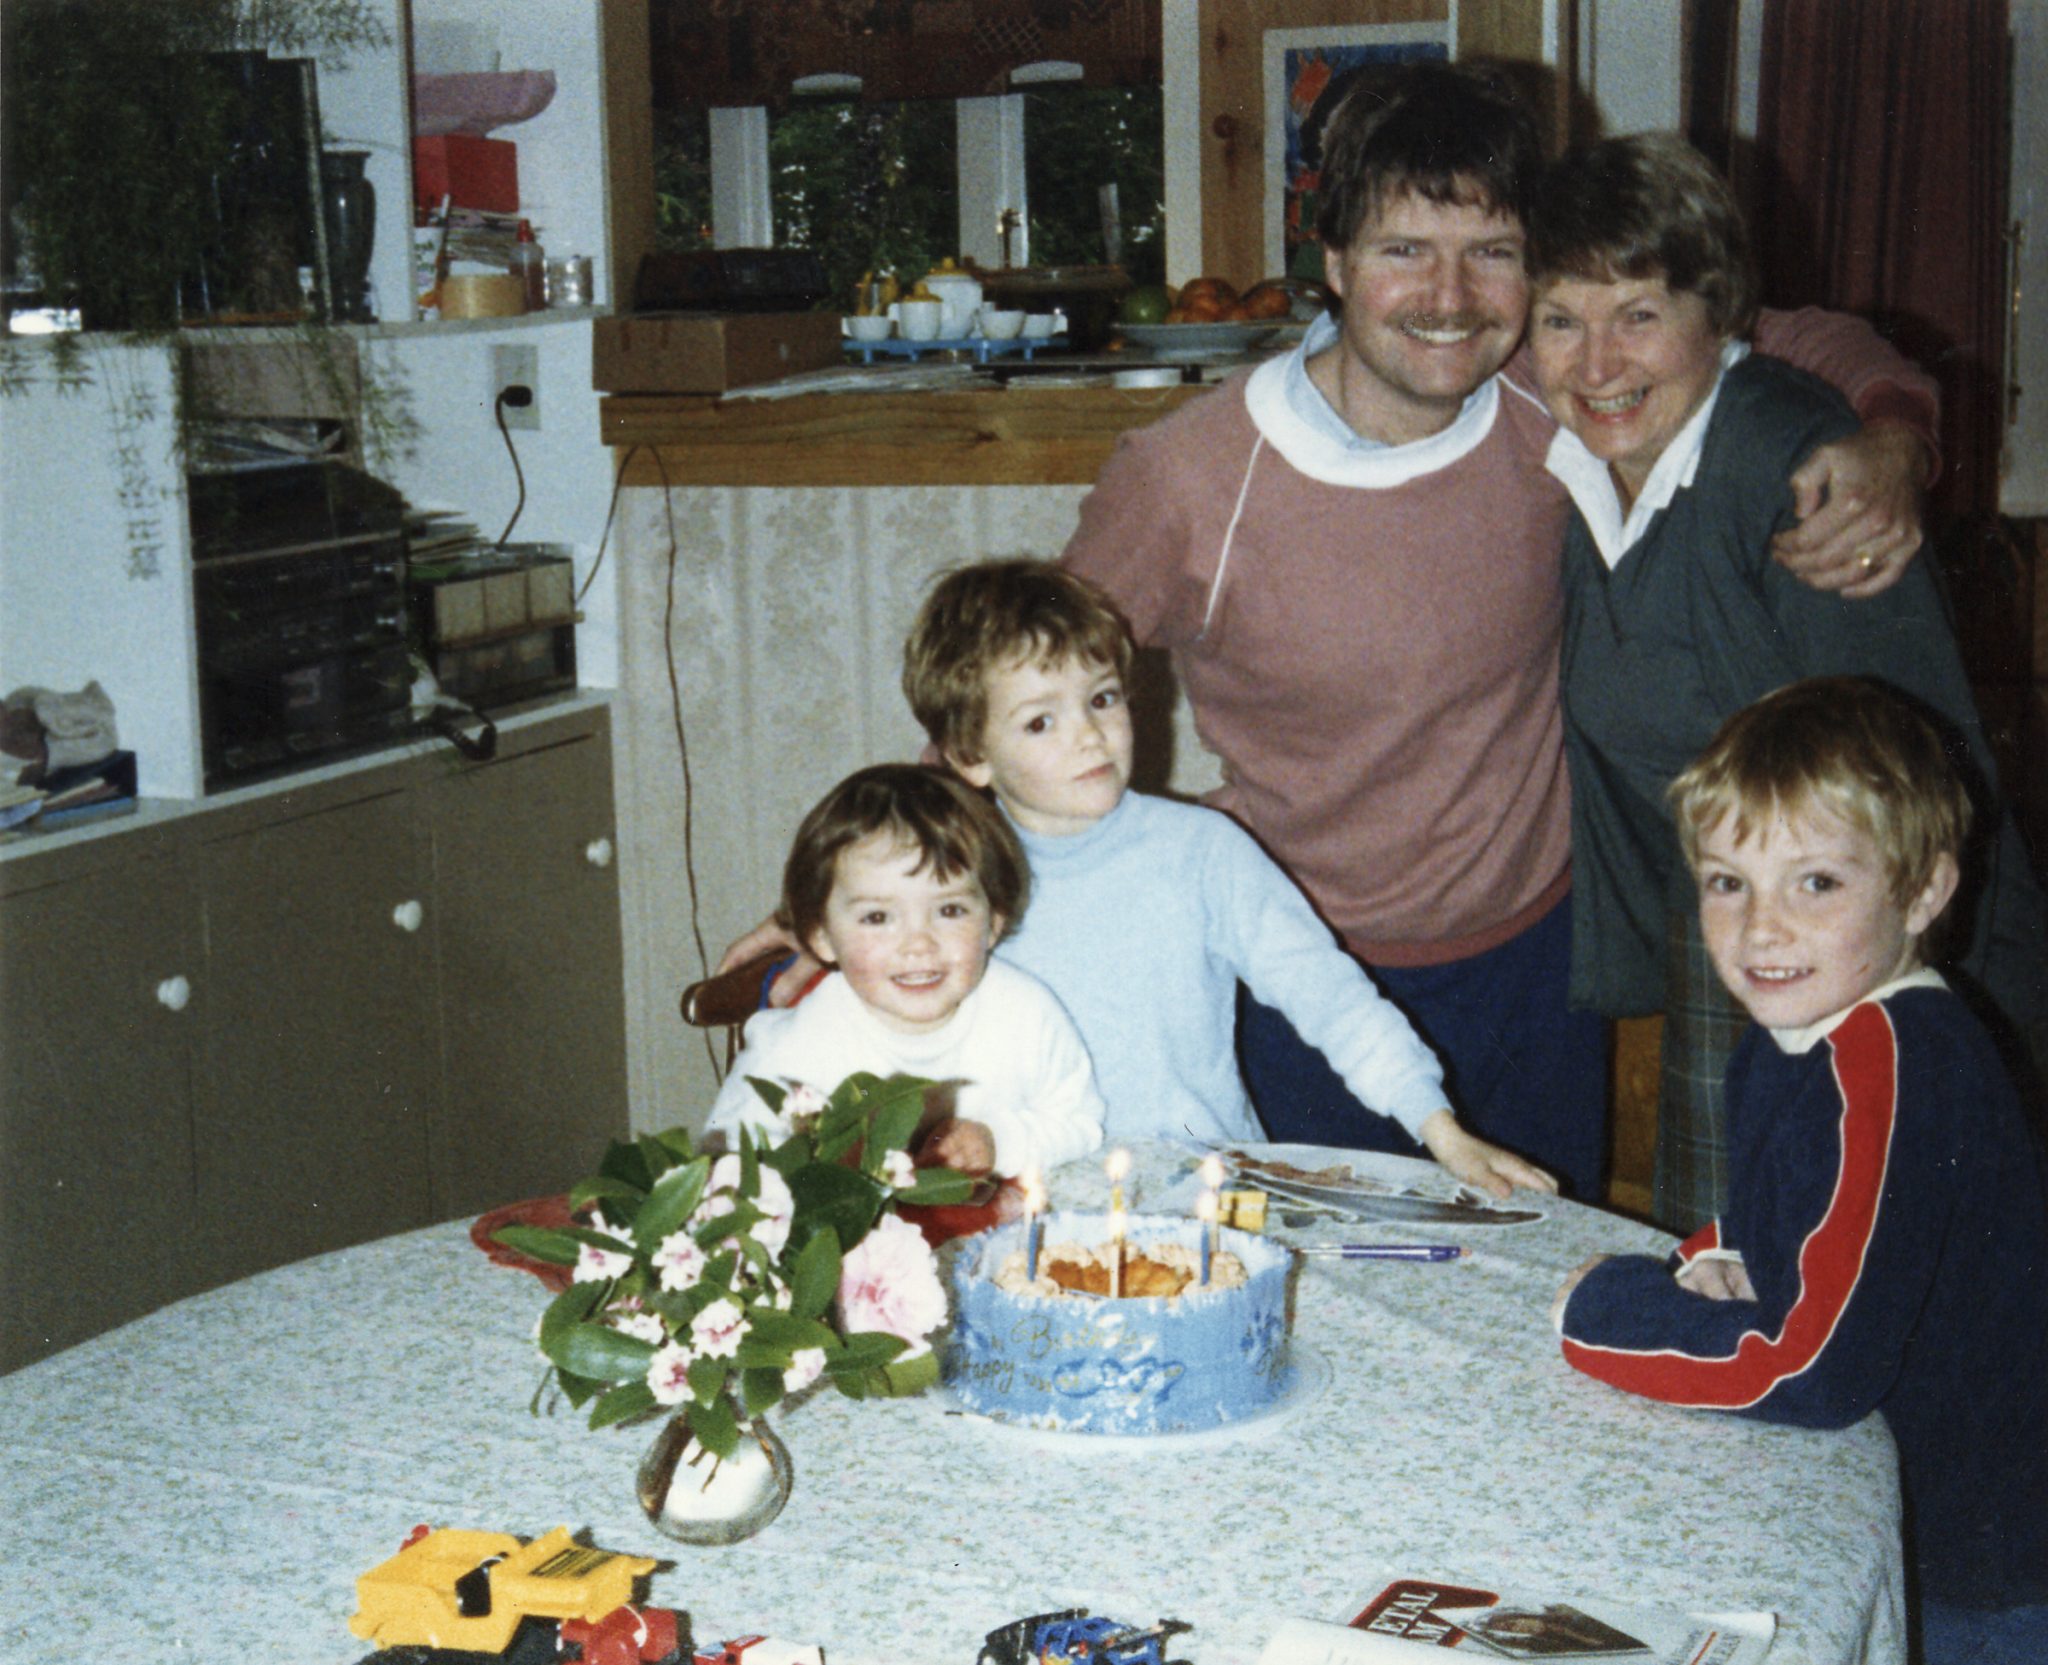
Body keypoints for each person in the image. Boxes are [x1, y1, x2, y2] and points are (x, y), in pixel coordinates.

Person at [1057, 59, 1940, 1203]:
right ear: (1331, 263)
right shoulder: (1186, 479)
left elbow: (1768, 329)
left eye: (1491, 251)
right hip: (1299, 982)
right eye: (1402, 250)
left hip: (1536, 972)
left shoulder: (1553, 386)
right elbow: (1017, 685)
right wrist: (862, 894)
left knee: (1524, 1311)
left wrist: (1893, 438)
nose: (1450, 295)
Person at [1525, 132, 2047, 1230]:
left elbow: (1921, 799)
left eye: (1637, 315)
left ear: (1716, 316)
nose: (1595, 362)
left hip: (1881, 969)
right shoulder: (1585, 470)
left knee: (1843, 1299)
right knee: (1737, 1280)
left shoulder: (1794, 473)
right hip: (1748, 949)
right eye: (1560, 320)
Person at [1551, 679, 2048, 1663]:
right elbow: (1793, 1207)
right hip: (1900, 1501)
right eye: (1726, 881)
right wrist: (1713, 1256)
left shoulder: (1889, 1062)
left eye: (1813, 883)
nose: (1760, 927)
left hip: (1971, 1560)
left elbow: (1814, 1368)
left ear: (1921, 892)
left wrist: (1608, 1308)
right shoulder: (1805, 1030)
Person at [901, 559, 1551, 1196]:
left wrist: (1440, 1129)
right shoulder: (955, 880)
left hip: (1204, 1199)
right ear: (970, 755)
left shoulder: (1203, 851)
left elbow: (1330, 995)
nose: (1090, 736)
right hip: (1030, 1202)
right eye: (1042, 721)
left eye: (1101, 699)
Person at [704, 763, 1104, 1180]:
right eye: (877, 917)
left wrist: (998, 1142)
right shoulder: (796, 1047)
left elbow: (1079, 1122)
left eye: (950, 910)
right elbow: (731, 1160)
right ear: (820, 936)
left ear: (994, 921)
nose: (919, 944)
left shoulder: (1025, 1015)